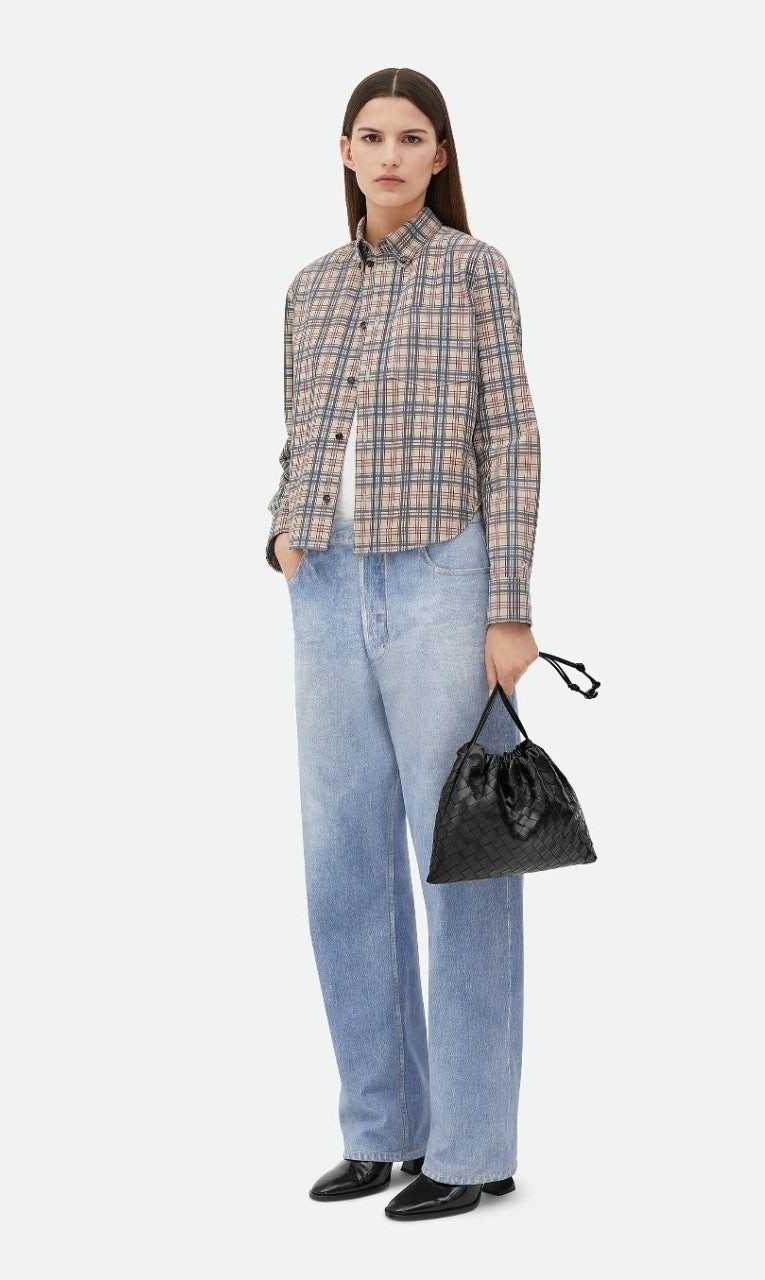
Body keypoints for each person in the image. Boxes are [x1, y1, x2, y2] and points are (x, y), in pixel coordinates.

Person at [265, 67, 542, 1222]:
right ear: (344, 151)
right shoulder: (311, 287)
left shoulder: (476, 270)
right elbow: (302, 427)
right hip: (326, 579)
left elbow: (512, 436)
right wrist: (283, 530)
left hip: (443, 579)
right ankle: (380, 1127)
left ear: (440, 154)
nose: (390, 154)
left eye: (411, 136)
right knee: (342, 857)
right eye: (371, 136)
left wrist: (509, 606)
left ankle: (472, 1146)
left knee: (461, 853)